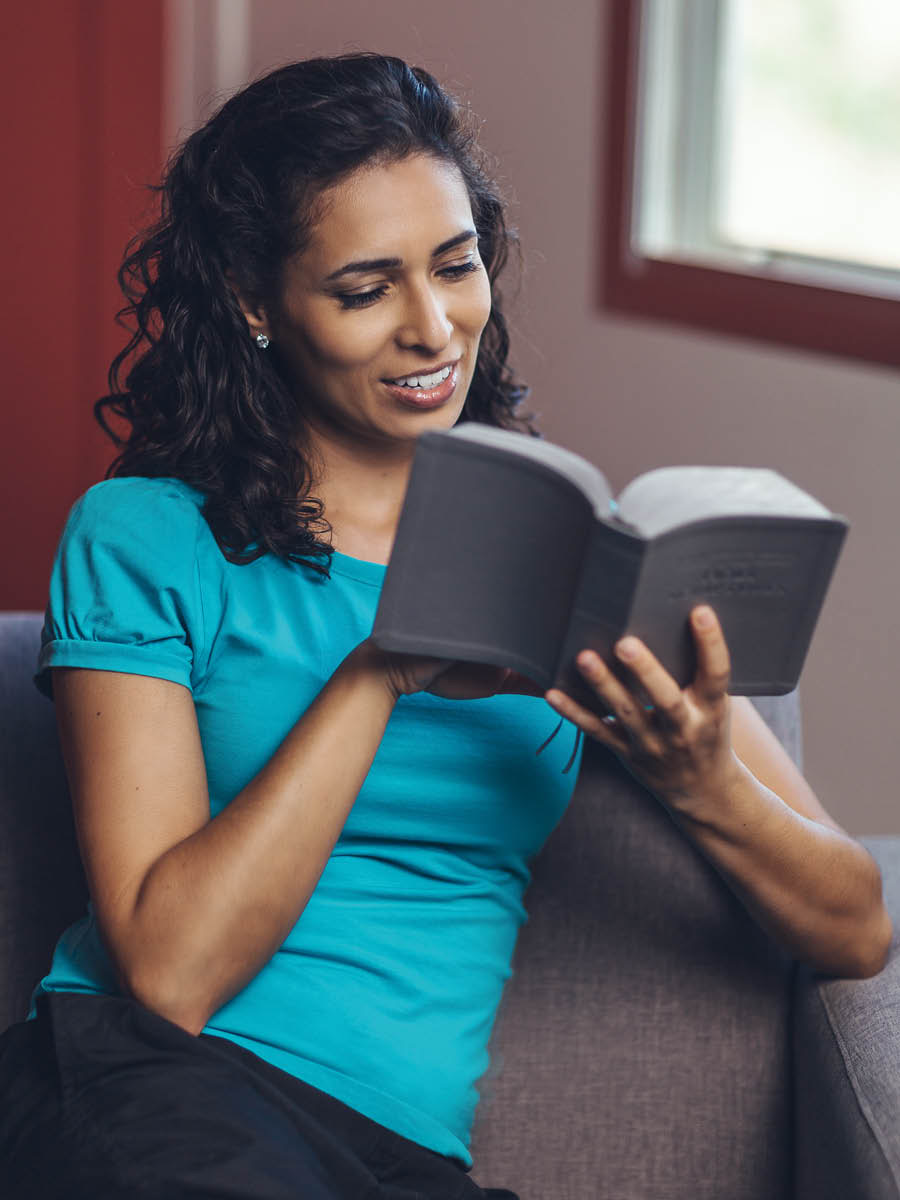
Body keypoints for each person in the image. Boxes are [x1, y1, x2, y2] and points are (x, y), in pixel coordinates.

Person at [0, 52, 891, 1200]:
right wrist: (377, 674)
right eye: (365, 289)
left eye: (456, 266)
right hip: (156, 1088)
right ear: (253, 300)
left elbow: (856, 932)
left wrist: (704, 775)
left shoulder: (562, 556)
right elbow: (171, 976)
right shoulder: (145, 538)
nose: (433, 329)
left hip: (403, 1159)